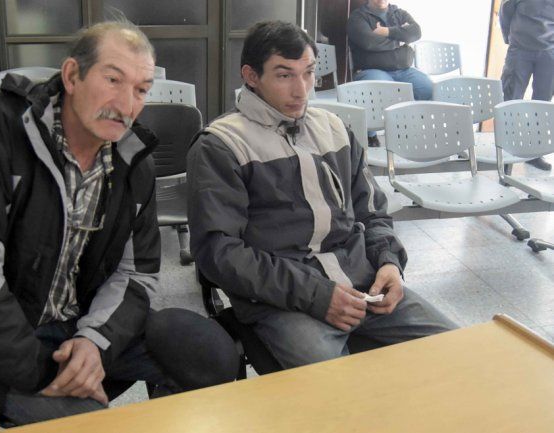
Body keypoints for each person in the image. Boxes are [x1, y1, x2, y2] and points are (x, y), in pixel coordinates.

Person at [0, 20, 238, 429]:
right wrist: (44, 373)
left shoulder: (132, 161)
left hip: (79, 324)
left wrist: (94, 343)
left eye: (141, 90)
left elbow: (137, 274)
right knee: (89, 423)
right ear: (72, 76)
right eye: (113, 80)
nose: (125, 104)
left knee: (210, 353)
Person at [187, 21, 456, 371]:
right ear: (251, 76)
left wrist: (389, 261)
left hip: (362, 282)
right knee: (338, 391)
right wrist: (316, 294)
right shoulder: (222, 145)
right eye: (284, 75)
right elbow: (219, 252)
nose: (301, 90)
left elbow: (372, 212)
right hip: (282, 300)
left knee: (457, 352)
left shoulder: (333, 129)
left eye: (309, 73)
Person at [347, 0, 432, 146]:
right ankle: (370, 133)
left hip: (404, 70)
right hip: (372, 70)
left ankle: (412, 127)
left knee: (428, 88)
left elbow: (416, 32)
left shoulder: (399, 13)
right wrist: (400, 39)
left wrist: (386, 32)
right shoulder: (358, 17)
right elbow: (369, 42)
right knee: (387, 90)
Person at [499, 0, 554, 170]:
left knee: (542, 104)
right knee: (510, 101)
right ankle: (505, 156)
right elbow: (505, 10)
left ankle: (534, 153)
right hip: (519, 49)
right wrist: (509, 38)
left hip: (549, 52)